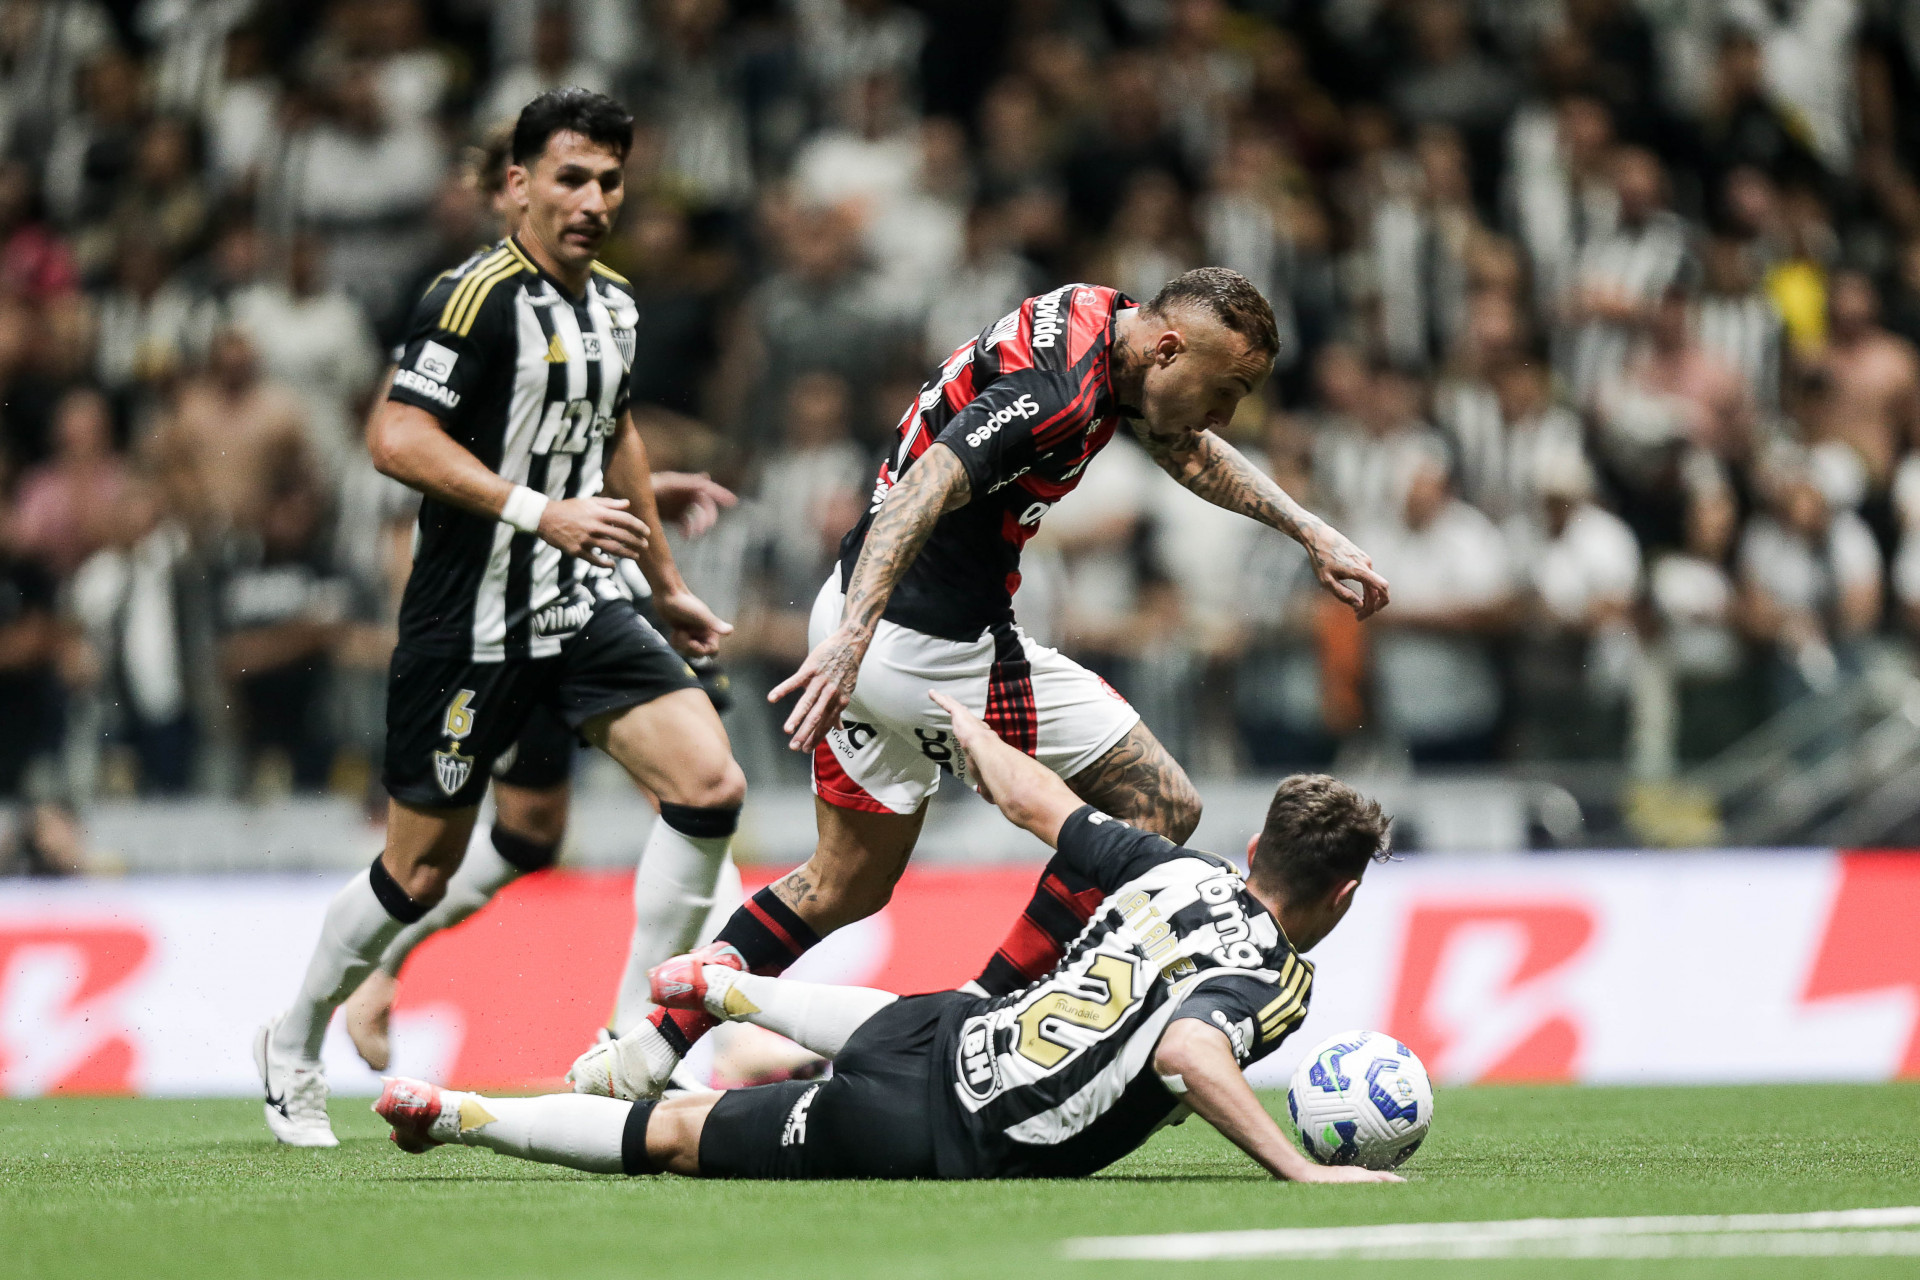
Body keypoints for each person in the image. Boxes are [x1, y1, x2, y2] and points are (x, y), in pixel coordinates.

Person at [571, 267, 1389, 1101]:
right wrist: (857, 643)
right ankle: (986, 1018)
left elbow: (1181, 443)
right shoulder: (1058, 396)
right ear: (1172, 348)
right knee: (1160, 804)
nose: (1227, 416)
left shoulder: (1100, 316)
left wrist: (1307, 529)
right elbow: (925, 486)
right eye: (1228, 391)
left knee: (842, 883)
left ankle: (645, 1047)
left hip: (859, 613)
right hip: (922, 645)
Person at [254, 88, 747, 1147]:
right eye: (571, 177)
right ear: (517, 184)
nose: (594, 200)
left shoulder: (613, 301)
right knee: (417, 870)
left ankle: (633, 1048)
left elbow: (614, 436)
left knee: (709, 784)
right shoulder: (470, 298)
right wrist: (539, 511)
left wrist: (664, 579)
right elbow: (394, 437)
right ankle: (293, 1034)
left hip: (579, 606)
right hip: (470, 622)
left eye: (611, 180)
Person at [373, 694, 1399, 1187]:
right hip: (957, 1125)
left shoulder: (1177, 865)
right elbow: (1186, 1050)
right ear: (1343, 894)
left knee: (919, 1011)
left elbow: (1045, 806)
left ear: (1256, 842)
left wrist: (969, 732)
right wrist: (1299, 1170)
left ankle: (736, 991)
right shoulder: (1276, 978)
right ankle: (456, 1115)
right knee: (678, 1131)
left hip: (954, 1025)